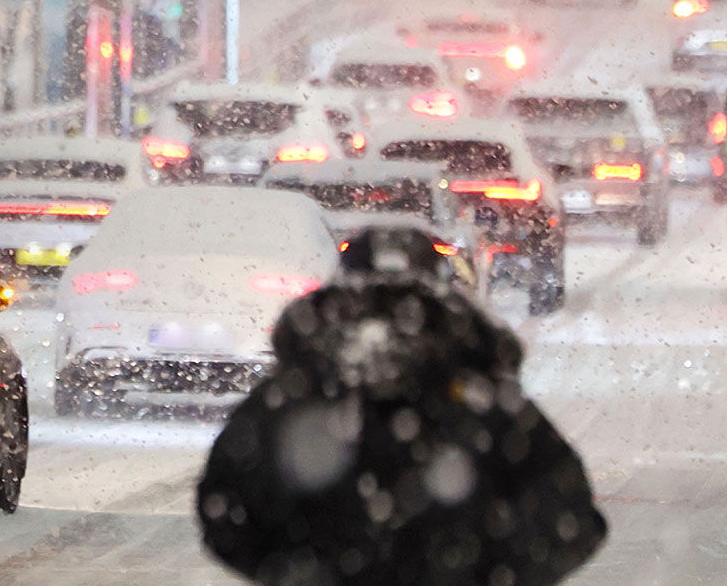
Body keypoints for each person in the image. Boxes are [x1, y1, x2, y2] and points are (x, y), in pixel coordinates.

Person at [197, 226, 606, 586]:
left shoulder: (293, 394)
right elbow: (571, 523)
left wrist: (301, 571)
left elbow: (225, 511)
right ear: (439, 289)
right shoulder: (483, 398)